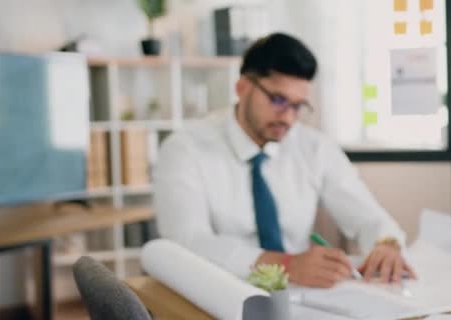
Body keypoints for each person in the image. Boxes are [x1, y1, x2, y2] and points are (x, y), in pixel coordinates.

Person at [154, 33, 415, 288]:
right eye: (278, 100)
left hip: (297, 295)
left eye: (298, 105)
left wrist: (386, 244)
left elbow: (368, 216)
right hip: (216, 291)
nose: (288, 118)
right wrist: (285, 264)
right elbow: (186, 241)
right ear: (242, 87)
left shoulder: (314, 148)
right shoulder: (183, 149)